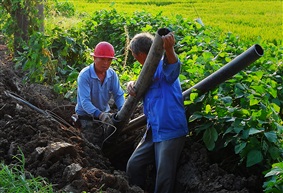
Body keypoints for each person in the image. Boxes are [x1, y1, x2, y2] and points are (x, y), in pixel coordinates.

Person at [126, 32, 188, 193]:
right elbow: (138, 88)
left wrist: (170, 49)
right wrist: (132, 84)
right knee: (134, 165)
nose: (134, 58)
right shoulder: (146, 72)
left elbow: (173, 68)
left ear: (140, 54)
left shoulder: (163, 66)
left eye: (133, 55)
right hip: (153, 130)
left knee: (163, 179)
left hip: (170, 130)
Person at [75, 41, 125, 147]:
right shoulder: (85, 75)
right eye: (102, 59)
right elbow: (85, 102)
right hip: (86, 116)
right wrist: (99, 114)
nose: (106, 63)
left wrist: (123, 110)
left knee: (109, 141)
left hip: (104, 115)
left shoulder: (112, 75)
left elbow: (118, 94)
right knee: (91, 145)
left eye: (109, 60)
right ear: (94, 58)